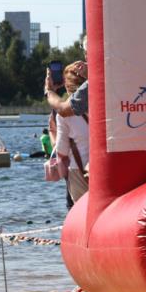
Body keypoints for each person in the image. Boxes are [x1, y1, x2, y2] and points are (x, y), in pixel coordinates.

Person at [55, 70, 90, 203]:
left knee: (83, 217)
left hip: (79, 172)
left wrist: (50, 91)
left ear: (67, 87)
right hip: (105, 167)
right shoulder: (106, 105)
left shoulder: (63, 116)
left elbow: (61, 151)